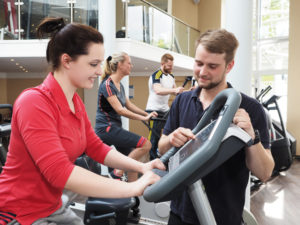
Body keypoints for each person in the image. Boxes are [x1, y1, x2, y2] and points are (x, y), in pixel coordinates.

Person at [0, 18, 165, 225]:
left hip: (51, 206)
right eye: (93, 64)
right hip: (19, 212)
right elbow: (59, 172)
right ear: (67, 61)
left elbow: (95, 147)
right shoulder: (33, 102)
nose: (99, 72)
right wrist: (131, 188)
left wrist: (142, 167)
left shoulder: (75, 102)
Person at [158, 29, 275, 225]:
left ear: (229, 66)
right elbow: (162, 148)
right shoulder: (182, 101)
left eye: (212, 66)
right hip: (180, 213)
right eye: (199, 63)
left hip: (222, 217)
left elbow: (264, 173)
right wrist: (171, 139)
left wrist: (251, 137)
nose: (202, 72)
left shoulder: (251, 109)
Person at [95, 52, 158, 182]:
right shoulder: (107, 85)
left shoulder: (120, 85)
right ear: (119, 65)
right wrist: (143, 119)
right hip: (107, 129)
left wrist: (146, 114)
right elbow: (120, 110)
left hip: (114, 128)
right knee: (146, 145)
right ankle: (117, 172)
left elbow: (128, 105)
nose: (131, 66)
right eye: (129, 63)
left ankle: (132, 191)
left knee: (132, 163)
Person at [145, 53, 184, 160]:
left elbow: (176, 92)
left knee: (170, 135)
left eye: (172, 66)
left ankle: (167, 158)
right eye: (169, 66)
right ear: (162, 64)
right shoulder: (156, 75)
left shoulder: (171, 77)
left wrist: (188, 91)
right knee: (154, 139)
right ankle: (152, 162)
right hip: (154, 110)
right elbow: (158, 90)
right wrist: (174, 90)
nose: (171, 68)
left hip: (166, 110)